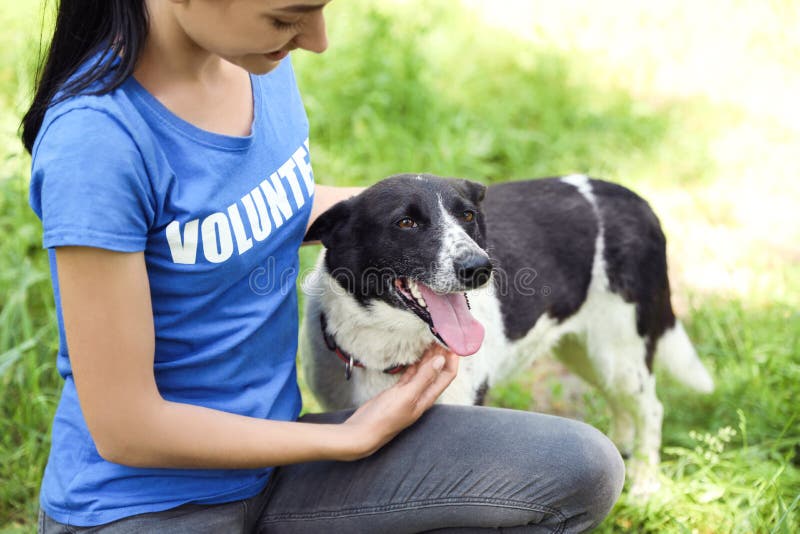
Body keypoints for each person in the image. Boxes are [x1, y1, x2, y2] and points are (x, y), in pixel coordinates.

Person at [22, 1, 625, 532]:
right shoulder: (98, 142)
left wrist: (433, 228)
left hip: (282, 470)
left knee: (580, 470)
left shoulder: (257, 61)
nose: (316, 39)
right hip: (148, 507)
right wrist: (345, 437)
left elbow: (265, 206)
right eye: (288, 15)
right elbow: (125, 427)